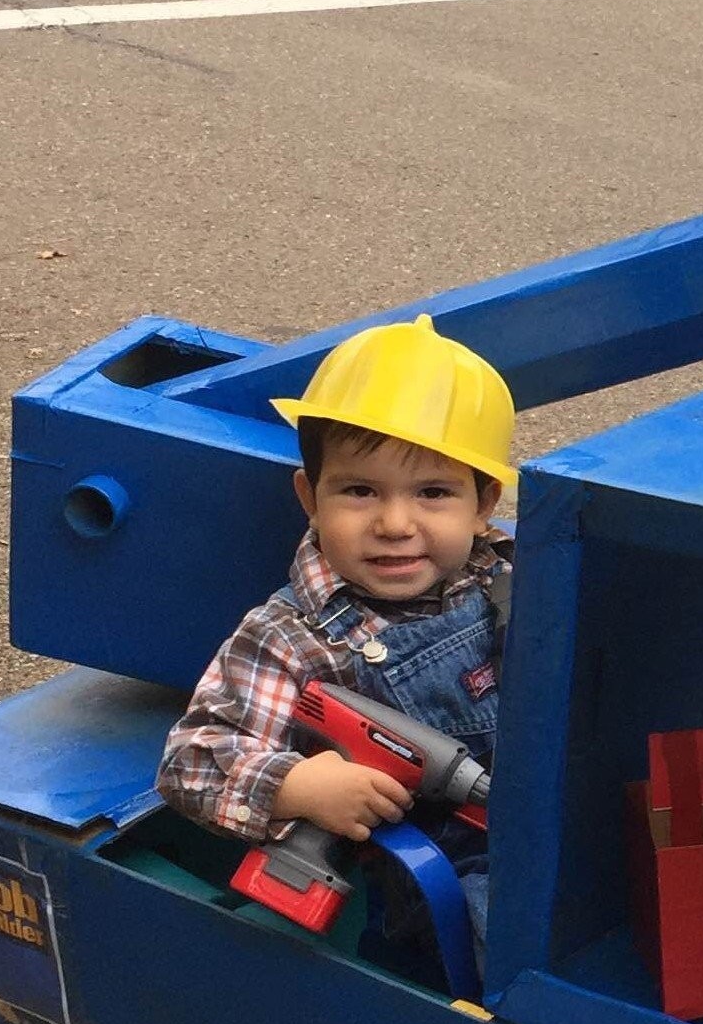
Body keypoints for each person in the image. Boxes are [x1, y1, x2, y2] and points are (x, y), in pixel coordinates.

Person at [159, 313, 516, 956]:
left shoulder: (509, 574)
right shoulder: (291, 637)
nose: (395, 523)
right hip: (440, 885)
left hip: (537, 824)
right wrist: (301, 788)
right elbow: (192, 762)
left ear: (483, 504)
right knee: (519, 943)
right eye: (359, 491)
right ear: (310, 496)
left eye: (434, 492)